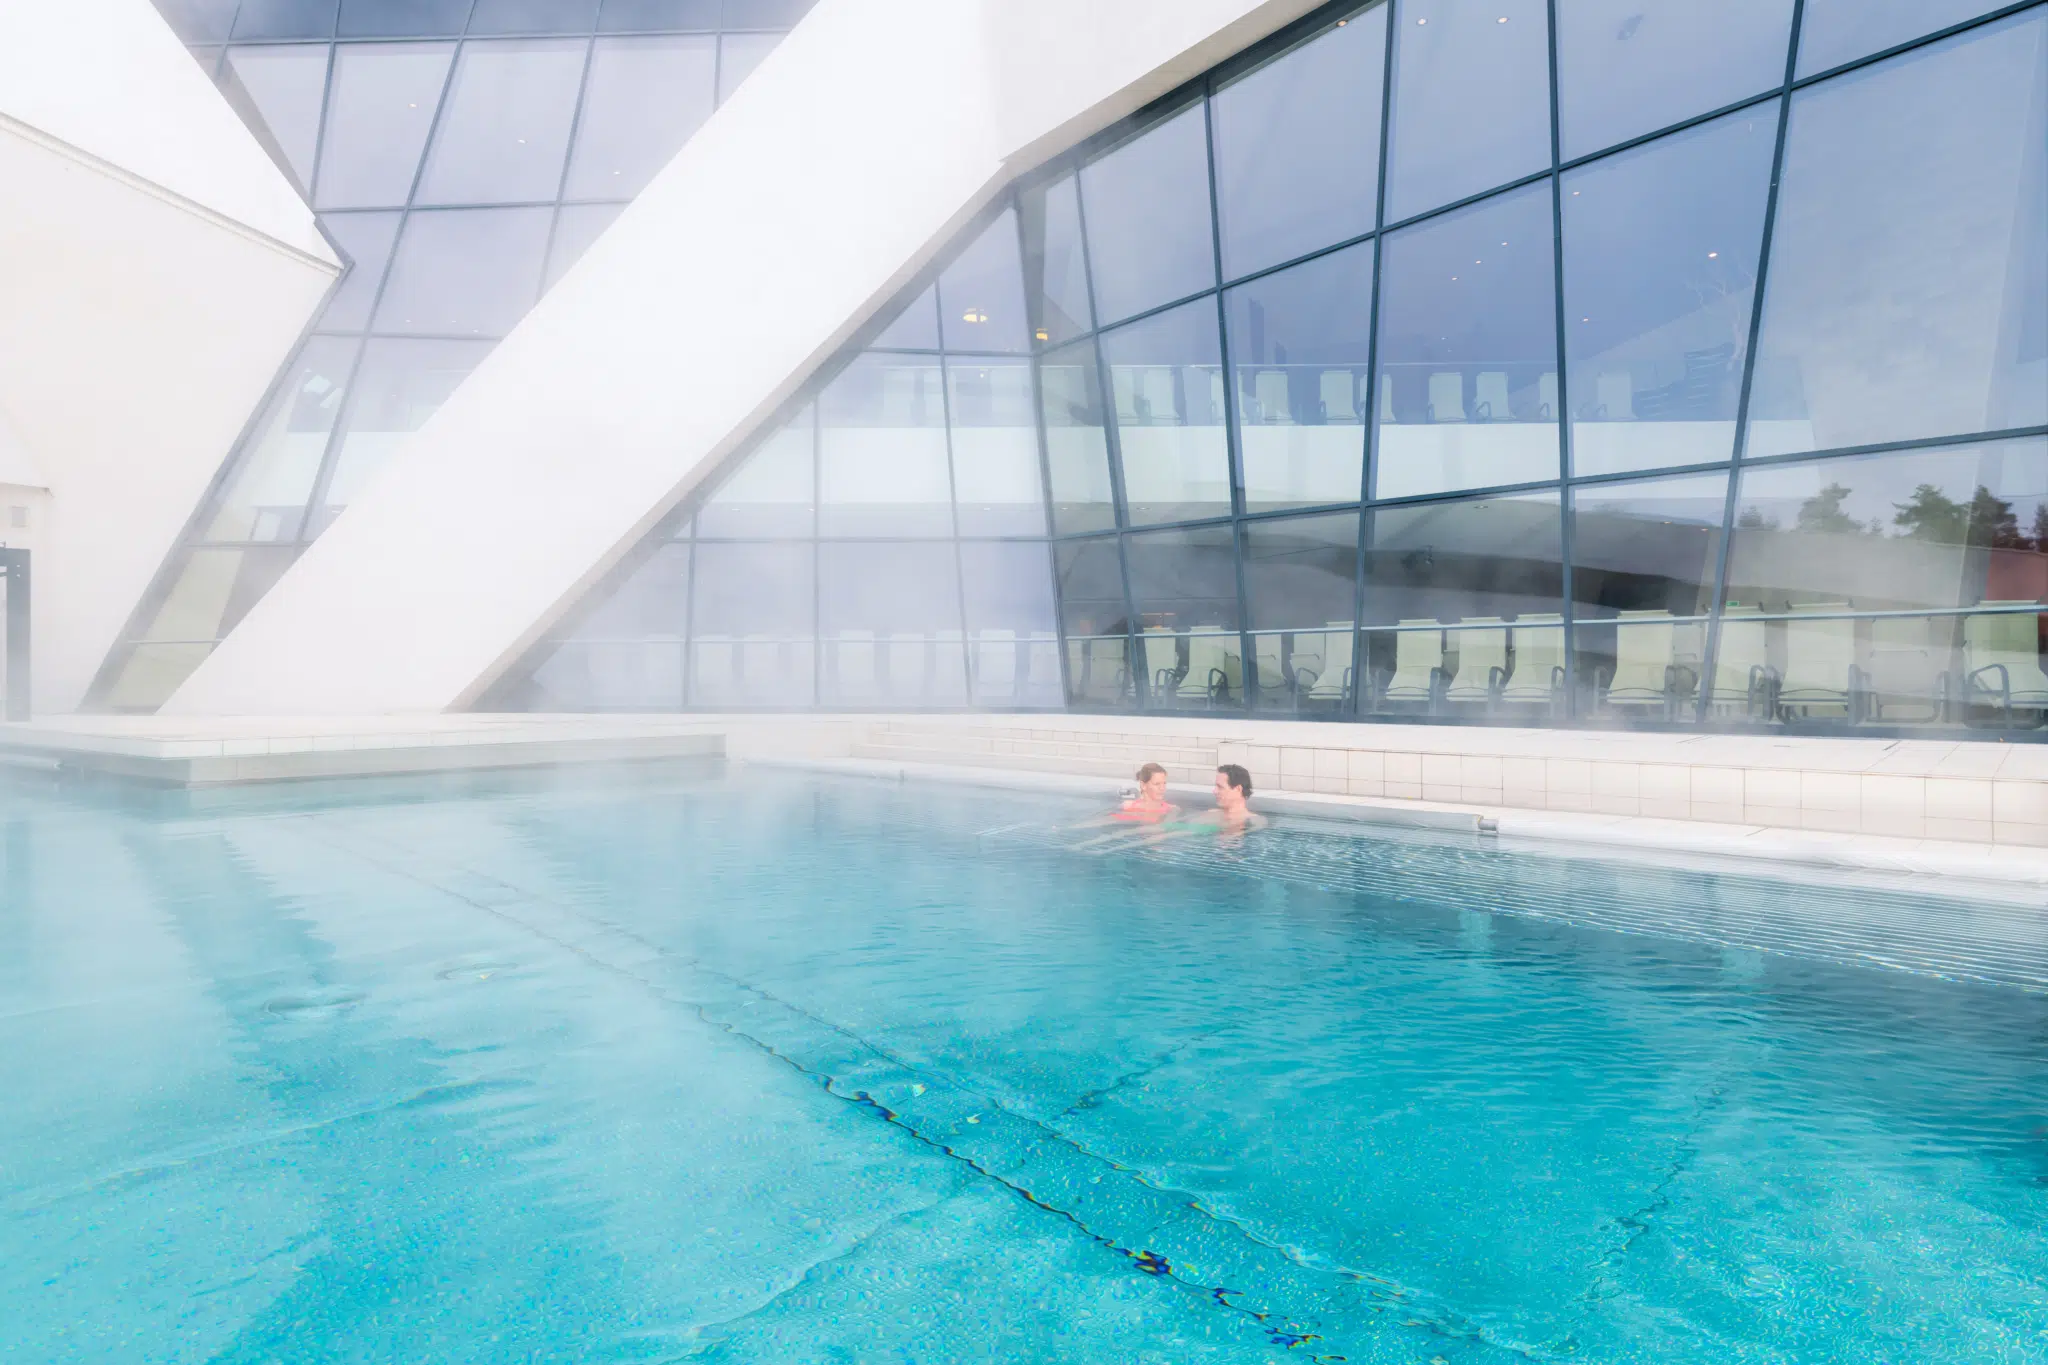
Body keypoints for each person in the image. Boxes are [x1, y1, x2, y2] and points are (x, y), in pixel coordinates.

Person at [1197, 764, 1267, 837]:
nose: (1214, 791)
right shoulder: (1210, 814)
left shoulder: (1255, 821)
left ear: (1238, 789)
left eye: (1220, 787)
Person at [1111, 762, 1177, 824]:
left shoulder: (1171, 809)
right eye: (1157, 784)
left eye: (1164, 783)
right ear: (1143, 785)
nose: (1162, 788)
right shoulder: (1127, 806)